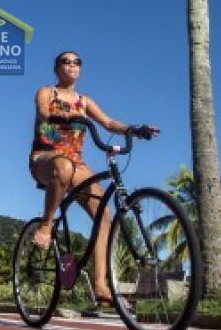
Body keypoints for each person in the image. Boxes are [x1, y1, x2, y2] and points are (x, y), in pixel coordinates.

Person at [28, 51, 158, 306]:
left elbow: (108, 122)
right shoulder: (46, 92)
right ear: (56, 68)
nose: (72, 65)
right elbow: (43, 112)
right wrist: (59, 117)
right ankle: (46, 225)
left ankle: (100, 284)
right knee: (63, 167)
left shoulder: (84, 101)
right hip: (44, 157)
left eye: (77, 62)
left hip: (76, 163)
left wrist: (134, 129)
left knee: (104, 215)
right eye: (66, 61)